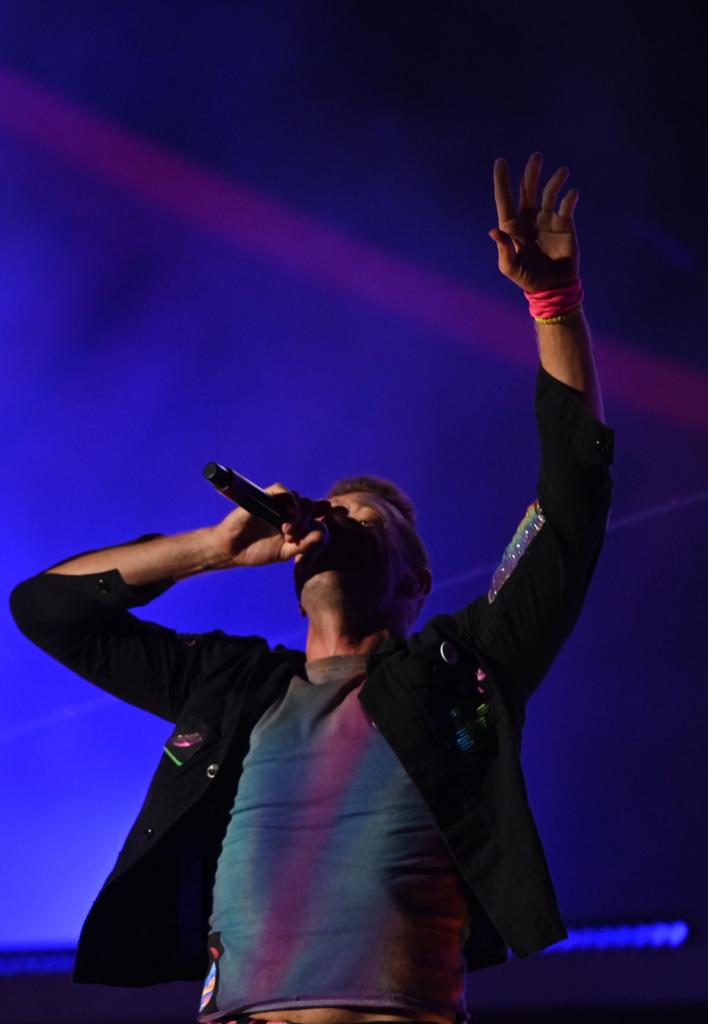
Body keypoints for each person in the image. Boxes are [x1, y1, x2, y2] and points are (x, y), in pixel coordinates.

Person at [10, 152, 615, 1024]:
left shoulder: (457, 670)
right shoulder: (235, 691)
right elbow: (46, 610)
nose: (336, 518)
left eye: (366, 520)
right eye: (330, 511)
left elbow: (570, 504)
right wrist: (209, 551)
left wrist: (554, 306)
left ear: (416, 580)